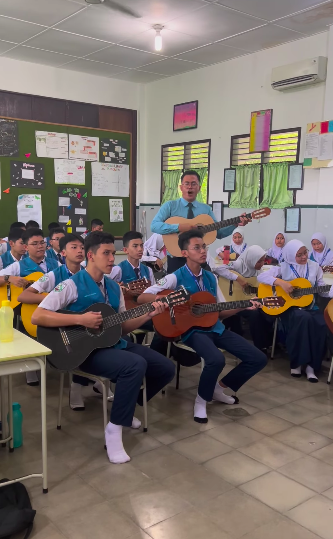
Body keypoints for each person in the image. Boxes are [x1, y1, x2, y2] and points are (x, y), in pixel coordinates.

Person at [31, 231, 175, 464]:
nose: (111, 258)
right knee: (134, 365)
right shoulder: (70, 284)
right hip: (82, 351)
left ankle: (125, 408)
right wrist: (80, 320)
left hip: (111, 344)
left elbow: (121, 327)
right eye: (106, 253)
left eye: (113, 253)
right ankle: (114, 429)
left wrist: (147, 314)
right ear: (90, 255)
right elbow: (38, 317)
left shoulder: (113, 287)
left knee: (165, 367)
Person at [138, 230, 267, 424]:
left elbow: (220, 311)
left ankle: (217, 389)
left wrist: (243, 305)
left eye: (204, 247)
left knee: (258, 358)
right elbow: (142, 297)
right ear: (185, 253)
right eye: (196, 248)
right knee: (216, 359)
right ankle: (201, 400)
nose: (202, 251)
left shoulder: (211, 278)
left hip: (215, 328)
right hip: (190, 330)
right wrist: (167, 299)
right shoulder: (174, 277)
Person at [18, 233, 112, 408]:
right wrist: (52, 298)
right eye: (74, 247)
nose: (79, 251)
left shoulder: (90, 273)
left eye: (82, 248)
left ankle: (95, 380)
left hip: (86, 326)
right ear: (62, 253)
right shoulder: (54, 275)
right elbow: (24, 295)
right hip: (62, 326)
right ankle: (78, 388)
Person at [257, 239, 331, 382]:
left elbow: (322, 290)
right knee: (303, 318)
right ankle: (297, 363)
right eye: (299, 255)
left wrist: (330, 292)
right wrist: (280, 282)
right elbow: (261, 276)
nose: (304, 257)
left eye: (305, 253)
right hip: (289, 308)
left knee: (322, 323)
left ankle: (311, 366)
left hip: (310, 307)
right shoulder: (283, 267)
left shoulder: (315, 267)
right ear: (291, 256)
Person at [151, 170, 250, 273]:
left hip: (199, 258)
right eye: (187, 184)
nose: (190, 187)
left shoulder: (206, 209)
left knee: (204, 285)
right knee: (176, 288)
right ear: (181, 187)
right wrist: (179, 227)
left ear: (198, 188)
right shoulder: (170, 206)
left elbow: (218, 233)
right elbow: (154, 226)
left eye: (193, 184)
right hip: (176, 257)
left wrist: (235, 224)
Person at [0, 228, 60, 386]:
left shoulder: (56, 263)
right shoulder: (18, 266)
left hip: (52, 304)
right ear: (26, 247)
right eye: (35, 243)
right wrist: (9, 278)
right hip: (29, 307)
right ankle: (31, 366)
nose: (40, 246)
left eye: (42, 243)